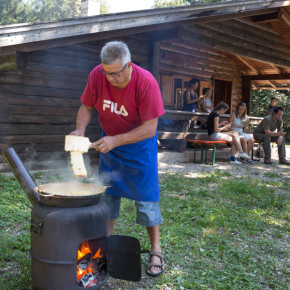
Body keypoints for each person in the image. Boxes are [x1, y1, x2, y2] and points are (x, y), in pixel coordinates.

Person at [69, 41, 166, 276]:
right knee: (108, 198)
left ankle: (156, 250)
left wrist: (116, 140)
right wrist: (80, 130)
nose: (110, 79)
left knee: (146, 200)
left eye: (116, 74)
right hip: (110, 145)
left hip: (139, 146)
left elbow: (150, 129)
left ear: (129, 66)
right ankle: (101, 250)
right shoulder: (97, 75)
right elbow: (86, 107)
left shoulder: (146, 83)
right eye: (106, 73)